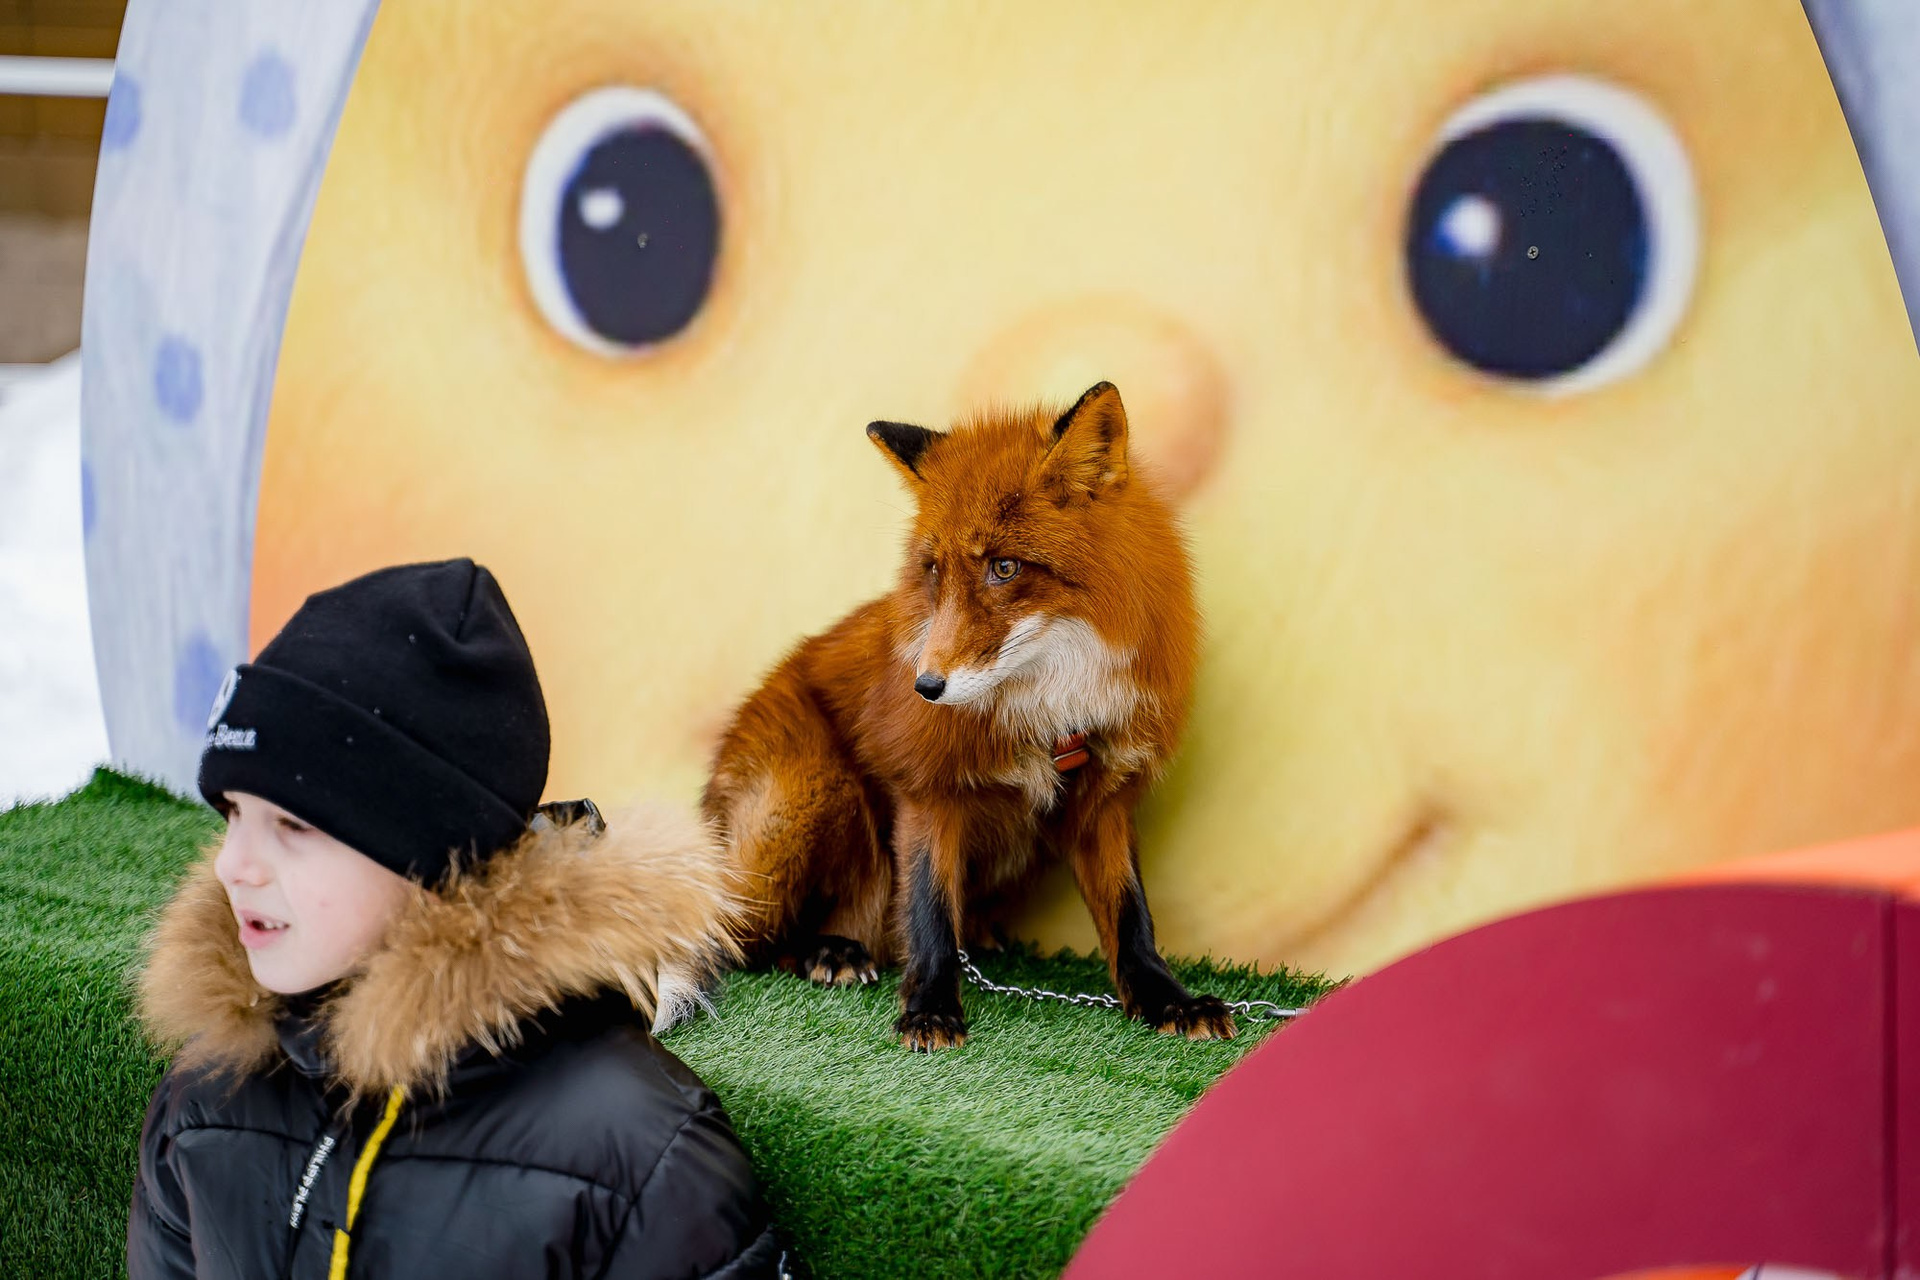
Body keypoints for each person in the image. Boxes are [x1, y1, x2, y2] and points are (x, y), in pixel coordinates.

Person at [126, 558, 783, 1278]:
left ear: (435, 855)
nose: (233, 865)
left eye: (293, 825)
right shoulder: (206, 1097)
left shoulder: (642, 1159)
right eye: (233, 813)